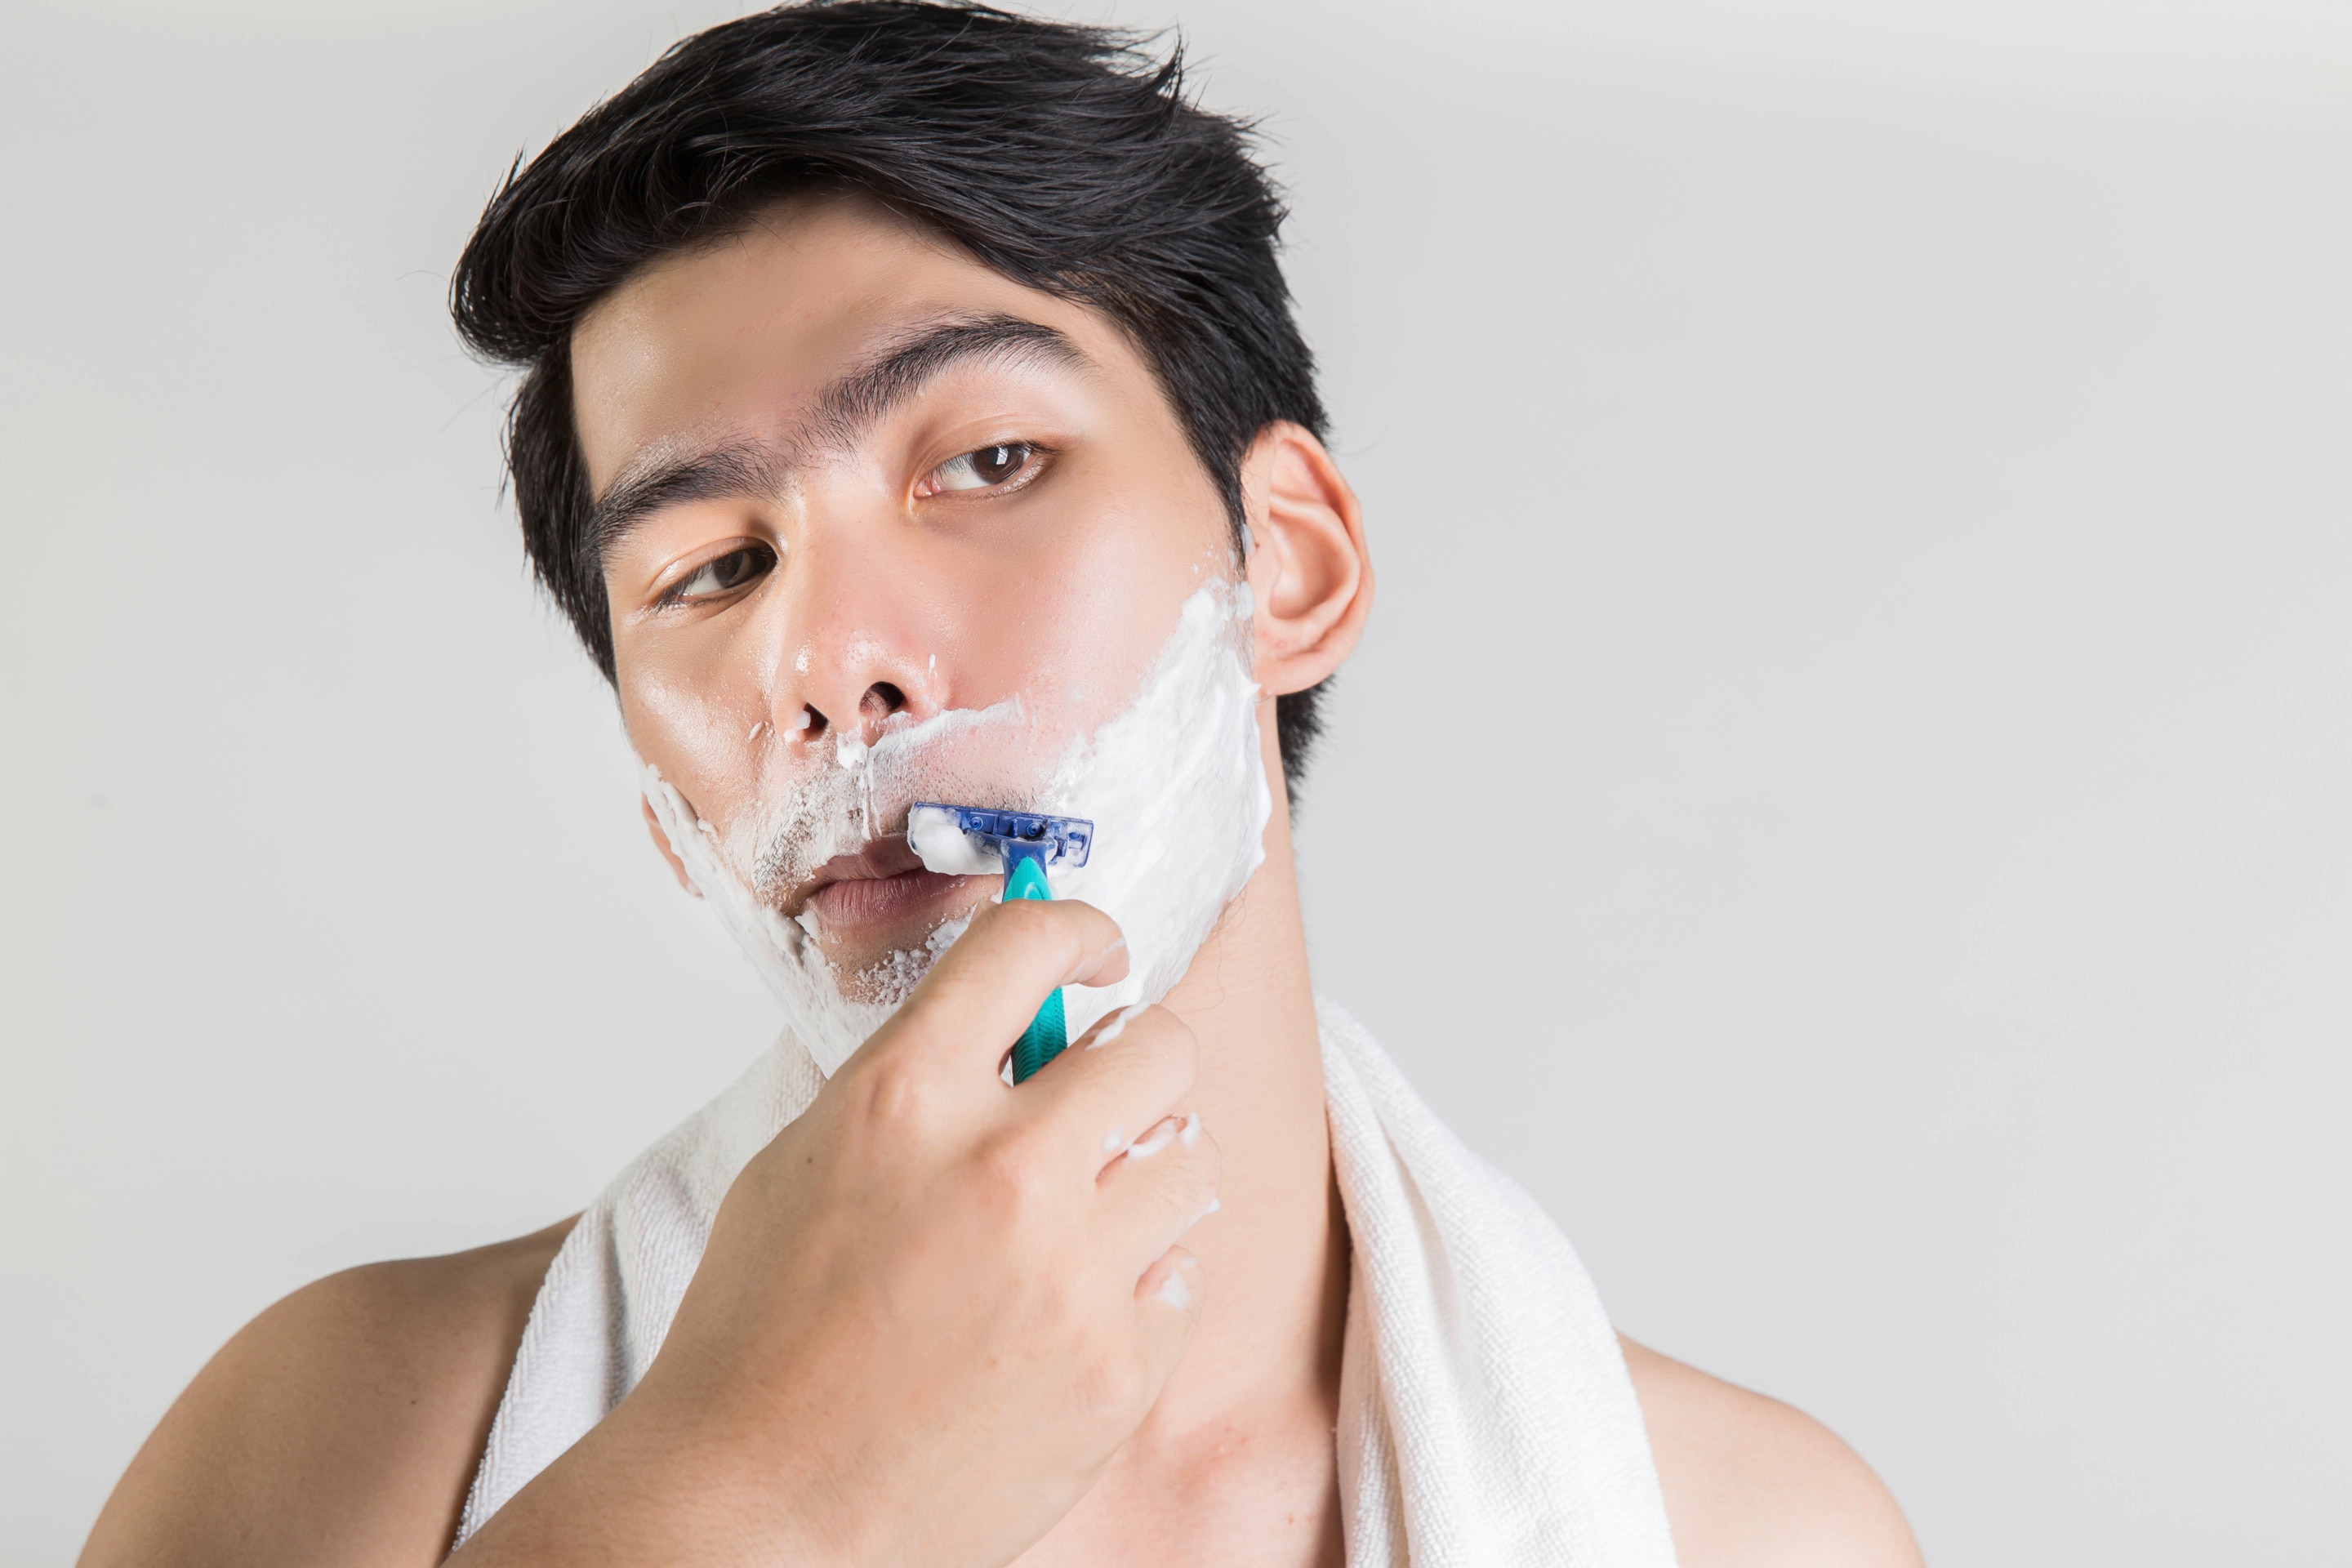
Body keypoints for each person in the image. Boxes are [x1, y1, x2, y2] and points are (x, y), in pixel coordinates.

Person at [80, 5, 1923, 1564]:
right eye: (712, 569)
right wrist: (747, 1491)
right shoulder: (349, 1453)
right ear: (667, 810)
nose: (832, 664)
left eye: (987, 459)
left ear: (1287, 565)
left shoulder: (1754, 1529)